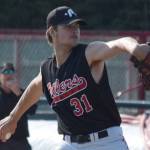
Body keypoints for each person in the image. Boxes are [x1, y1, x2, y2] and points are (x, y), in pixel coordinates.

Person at [0, 6, 150, 150]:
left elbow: (119, 43)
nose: (75, 30)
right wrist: (13, 117)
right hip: (70, 144)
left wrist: (136, 48)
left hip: (106, 142)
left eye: (77, 25)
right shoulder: (47, 69)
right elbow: (34, 88)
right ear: (52, 31)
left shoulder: (88, 54)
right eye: (68, 26)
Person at [0, 63, 37, 150]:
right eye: (4, 72)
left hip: (20, 139)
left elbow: (33, 110)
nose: (8, 75)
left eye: (10, 72)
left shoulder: (22, 93)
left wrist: (19, 94)